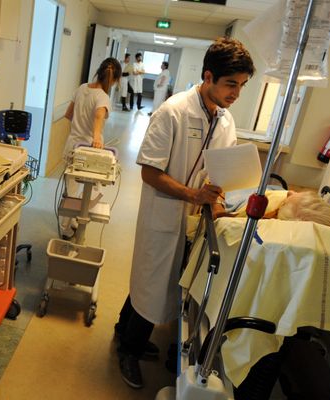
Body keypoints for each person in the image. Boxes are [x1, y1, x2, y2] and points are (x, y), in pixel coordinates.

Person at [115, 37, 255, 389]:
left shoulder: (225, 122)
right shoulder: (174, 111)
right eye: (230, 84)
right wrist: (193, 193)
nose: (236, 93)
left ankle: (122, 331)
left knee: (154, 280)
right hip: (163, 215)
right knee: (154, 281)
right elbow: (149, 171)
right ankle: (128, 352)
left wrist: (219, 204)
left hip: (194, 219)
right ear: (208, 76)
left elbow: (221, 171)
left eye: (242, 85)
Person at [59, 57, 122, 239]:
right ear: (115, 79)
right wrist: (95, 137)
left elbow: (68, 114)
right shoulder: (103, 96)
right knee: (94, 189)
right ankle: (78, 219)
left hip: (72, 145)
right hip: (88, 150)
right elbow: (99, 116)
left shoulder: (82, 88)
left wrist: (78, 128)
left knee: (70, 190)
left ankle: (67, 227)